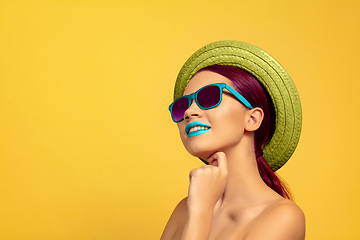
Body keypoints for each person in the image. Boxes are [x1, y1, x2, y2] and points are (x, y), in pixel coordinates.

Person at [160, 41, 305, 240]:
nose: (188, 112)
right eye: (182, 105)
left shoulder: (282, 217)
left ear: (252, 119)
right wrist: (198, 208)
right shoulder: (183, 210)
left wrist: (201, 211)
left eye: (209, 97)